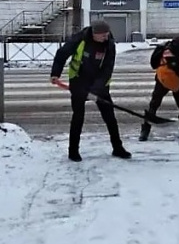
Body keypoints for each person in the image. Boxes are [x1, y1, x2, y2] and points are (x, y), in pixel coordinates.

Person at [50, 20, 131, 162]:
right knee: (78, 117)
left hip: (99, 83)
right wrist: (55, 73)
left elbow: (107, 69)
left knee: (110, 117)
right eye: (102, 36)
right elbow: (62, 54)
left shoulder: (109, 44)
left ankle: (117, 148)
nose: (105, 38)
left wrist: (96, 90)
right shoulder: (80, 39)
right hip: (78, 80)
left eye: (107, 35)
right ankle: (73, 151)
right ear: (94, 33)